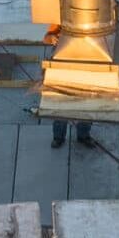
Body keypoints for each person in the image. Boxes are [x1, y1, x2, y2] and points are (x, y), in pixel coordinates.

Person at [41, 21, 93, 149]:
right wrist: (52, 38)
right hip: (63, 65)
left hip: (87, 64)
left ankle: (83, 135)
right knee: (61, 102)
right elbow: (46, 38)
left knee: (86, 103)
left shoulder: (93, 20)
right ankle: (58, 137)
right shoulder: (61, 16)